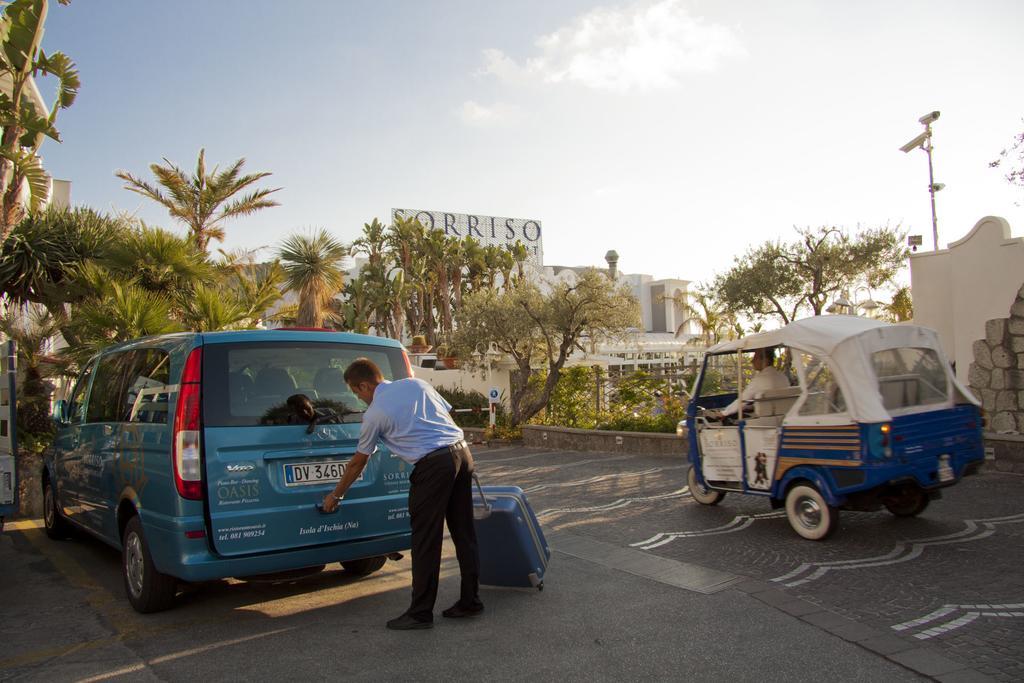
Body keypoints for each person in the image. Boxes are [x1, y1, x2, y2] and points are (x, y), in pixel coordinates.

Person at [320, 358, 482, 630]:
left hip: (432, 466)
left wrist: (335, 495)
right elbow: (443, 418)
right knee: (464, 532)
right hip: (462, 453)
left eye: (356, 392)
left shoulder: (375, 413)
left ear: (364, 385)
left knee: (425, 540)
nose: (358, 398)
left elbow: (359, 461)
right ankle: (471, 600)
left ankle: (420, 613)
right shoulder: (417, 384)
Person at [706, 347, 789, 420]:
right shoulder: (782, 377)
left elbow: (742, 400)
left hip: (763, 422)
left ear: (765, 360)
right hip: (780, 418)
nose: (751, 361)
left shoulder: (760, 379)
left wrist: (724, 413)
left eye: (755, 358)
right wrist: (751, 406)